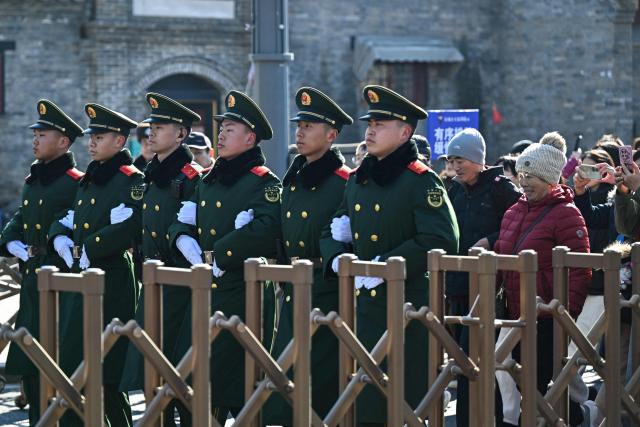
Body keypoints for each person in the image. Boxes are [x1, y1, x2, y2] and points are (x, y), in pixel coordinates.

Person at [320, 85, 459, 425]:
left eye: (380, 124)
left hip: (406, 308)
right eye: (370, 123)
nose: (369, 130)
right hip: (361, 308)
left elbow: (441, 238)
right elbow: (330, 228)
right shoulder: (359, 180)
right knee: (365, 399)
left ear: (404, 132)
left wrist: (385, 267)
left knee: (403, 399)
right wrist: (337, 256)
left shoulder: (420, 181)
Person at [169, 90, 282, 424]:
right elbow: (182, 220)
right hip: (205, 291)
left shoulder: (264, 181)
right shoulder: (209, 181)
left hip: (242, 294)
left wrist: (225, 252)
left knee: (243, 388)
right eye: (221, 127)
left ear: (250, 137)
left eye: (229, 128)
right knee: (193, 385)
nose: (221, 133)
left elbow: (268, 225)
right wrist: (184, 242)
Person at [48, 103, 143, 427]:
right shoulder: (91, 176)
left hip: (112, 277)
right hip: (82, 274)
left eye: (99, 137)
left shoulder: (131, 179)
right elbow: (72, 217)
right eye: (91, 136)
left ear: (119, 141)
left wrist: (92, 246)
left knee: (109, 370)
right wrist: (59, 236)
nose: (91, 142)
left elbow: (131, 224)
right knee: (76, 362)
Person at [262, 87, 353, 425]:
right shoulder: (295, 178)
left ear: (331, 135)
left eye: (308, 127)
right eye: (299, 126)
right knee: (289, 381)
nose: (299, 133)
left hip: (327, 291)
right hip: (293, 288)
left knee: (322, 382)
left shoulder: (345, 182)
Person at [494, 132, 591, 426]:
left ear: (549, 178)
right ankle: (575, 418)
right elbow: (502, 254)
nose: (523, 182)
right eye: (521, 174)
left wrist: (563, 314)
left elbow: (579, 270)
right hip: (516, 314)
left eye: (530, 176)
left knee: (537, 385)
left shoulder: (567, 214)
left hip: (547, 316)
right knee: (526, 383)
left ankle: (574, 418)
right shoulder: (513, 211)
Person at [119, 93, 202, 426]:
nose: (151, 132)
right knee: (153, 378)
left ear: (180, 135)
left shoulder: (192, 179)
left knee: (182, 378)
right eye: (150, 126)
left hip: (183, 286)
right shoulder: (152, 175)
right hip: (153, 284)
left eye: (160, 126)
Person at [0, 99, 84, 425]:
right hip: (32, 282)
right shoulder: (34, 178)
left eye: (42, 134)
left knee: (60, 364)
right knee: (31, 364)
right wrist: (10, 240)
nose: (35, 139)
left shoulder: (76, 182)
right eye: (35, 133)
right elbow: (23, 215)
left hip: (60, 282)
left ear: (63, 142)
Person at [444, 128, 521, 425]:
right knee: (461, 359)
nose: (455, 165)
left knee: (476, 359)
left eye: (460, 158)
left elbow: (518, 228)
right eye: (452, 159)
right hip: (457, 285)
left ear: (477, 159)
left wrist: (490, 240)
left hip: (491, 288)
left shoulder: (503, 189)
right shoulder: (453, 190)